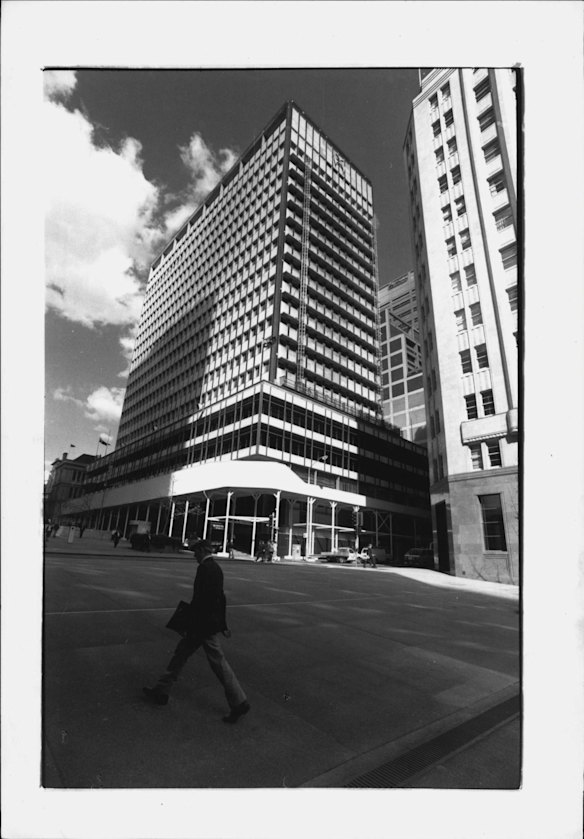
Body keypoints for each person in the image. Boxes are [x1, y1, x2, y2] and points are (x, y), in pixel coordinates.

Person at [143, 538, 250, 723]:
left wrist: (189, 624)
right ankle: (161, 690)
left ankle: (239, 702)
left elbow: (201, 600)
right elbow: (220, 598)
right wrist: (223, 624)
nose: (194, 555)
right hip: (206, 624)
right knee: (181, 655)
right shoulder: (216, 568)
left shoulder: (205, 569)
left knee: (215, 662)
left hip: (201, 626)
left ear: (202, 551)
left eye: (195, 552)